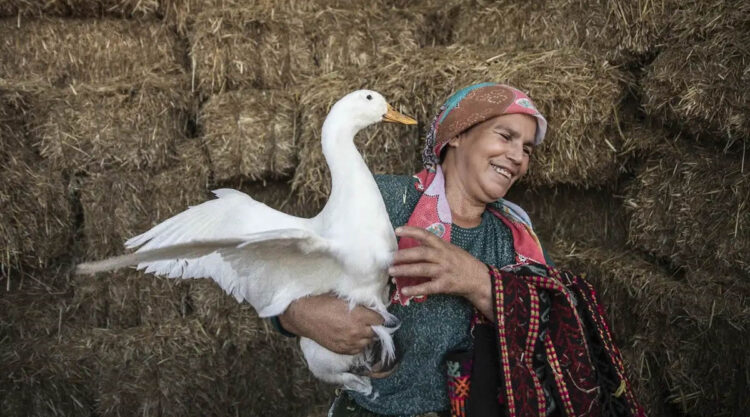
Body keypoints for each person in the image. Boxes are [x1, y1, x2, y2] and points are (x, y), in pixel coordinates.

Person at [276, 83, 643, 417]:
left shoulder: (512, 238)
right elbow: (278, 278)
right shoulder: (383, 199)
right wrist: (299, 313)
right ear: (457, 135)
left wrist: (477, 280)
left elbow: (564, 337)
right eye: (506, 136)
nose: (517, 157)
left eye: (527, 149)